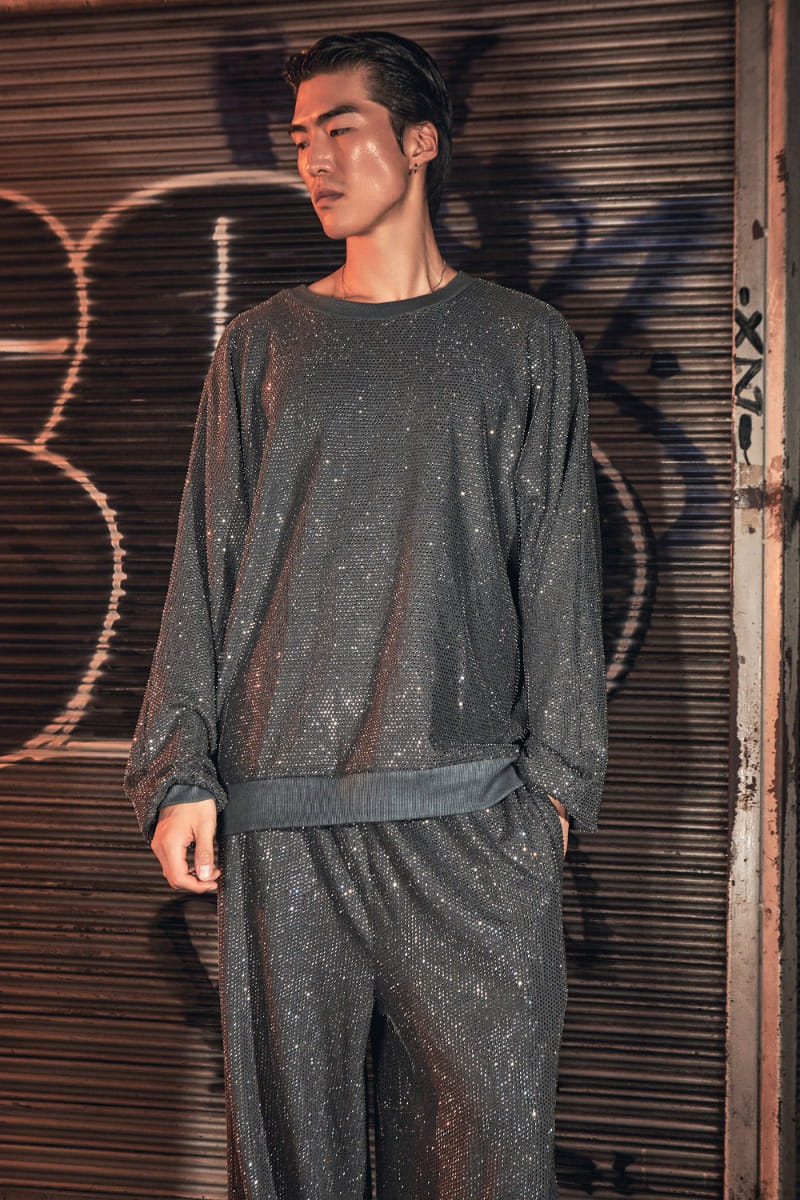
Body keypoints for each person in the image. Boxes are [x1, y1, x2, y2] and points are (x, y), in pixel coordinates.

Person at [124, 29, 607, 1200]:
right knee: (296, 1167)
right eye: (300, 139)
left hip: (471, 825)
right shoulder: (262, 347)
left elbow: (558, 575)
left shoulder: (521, 344)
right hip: (282, 827)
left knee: (490, 1161)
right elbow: (205, 566)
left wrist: (552, 801)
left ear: (419, 141)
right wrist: (177, 769)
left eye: (341, 130)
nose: (315, 161)